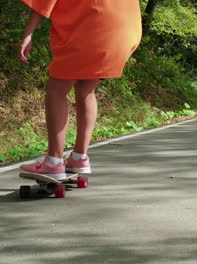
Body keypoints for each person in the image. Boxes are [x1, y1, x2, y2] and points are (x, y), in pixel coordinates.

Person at [18, 0, 142, 180]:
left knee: (57, 90)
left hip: (91, 28)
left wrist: (28, 34)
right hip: (124, 30)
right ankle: (79, 158)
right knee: (86, 90)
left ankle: (53, 161)